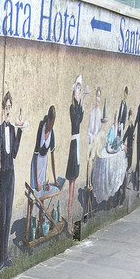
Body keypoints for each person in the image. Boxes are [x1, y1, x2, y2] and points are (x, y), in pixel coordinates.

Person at [0, 91, 23, 273]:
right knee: (2, 217)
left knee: (8, 217)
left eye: (10, 107)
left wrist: (20, 130)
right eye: (6, 107)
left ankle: (5, 256)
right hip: (2, 178)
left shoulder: (12, 130)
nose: (8, 110)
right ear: (2, 110)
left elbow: (14, 153)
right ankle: (1, 258)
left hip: (11, 176)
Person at [65, 75, 87, 235]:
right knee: (71, 190)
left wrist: (83, 100)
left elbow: (82, 117)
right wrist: (82, 99)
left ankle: (72, 223)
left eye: (80, 88)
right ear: (74, 90)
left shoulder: (78, 106)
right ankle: (69, 223)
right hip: (74, 147)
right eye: (78, 88)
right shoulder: (73, 108)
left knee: (74, 187)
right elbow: (77, 121)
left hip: (77, 146)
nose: (79, 91)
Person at [30, 105, 57, 191]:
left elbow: (52, 159)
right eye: (51, 123)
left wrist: (55, 180)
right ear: (48, 120)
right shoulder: (41, 127)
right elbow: (35, 155)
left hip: (43, 163)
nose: (52, 126)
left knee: (43, 189)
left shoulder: (52, 134)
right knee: (35, 190)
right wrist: (37, 182)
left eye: (53, 124)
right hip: (36, 162)